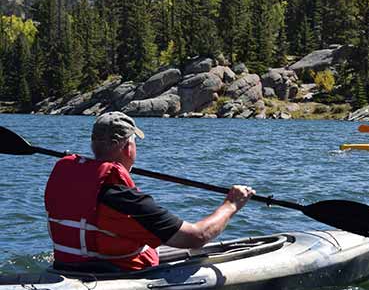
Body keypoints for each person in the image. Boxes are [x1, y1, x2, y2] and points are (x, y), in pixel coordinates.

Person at [44, 112, 255, 272]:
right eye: (134, 144)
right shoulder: (123, 198)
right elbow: (196, 237)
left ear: (93, 145)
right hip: (115, 274)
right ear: (126, 147)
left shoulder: (67, 181)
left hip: (69, 267)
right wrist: (232, 204)